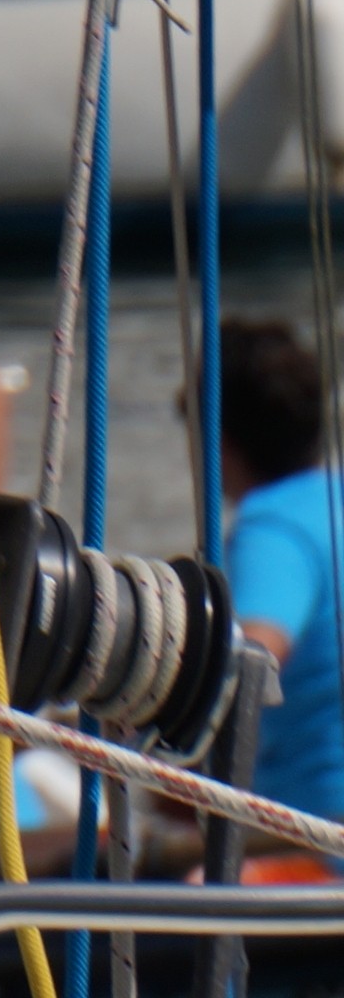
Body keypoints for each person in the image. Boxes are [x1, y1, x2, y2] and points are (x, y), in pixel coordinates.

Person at [218, 317, 344, 832]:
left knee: (33, 863)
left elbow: (253, 664)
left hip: (317, 842)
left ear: (220, 441)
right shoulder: (330, 498)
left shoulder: (272, 529)